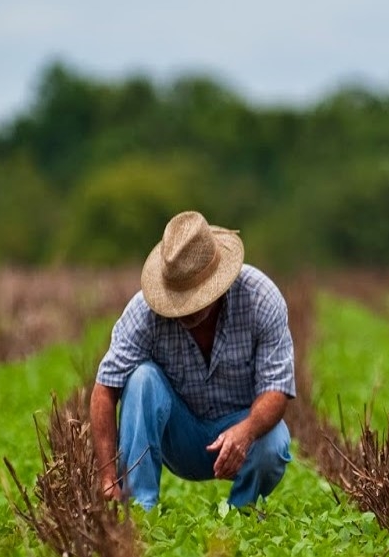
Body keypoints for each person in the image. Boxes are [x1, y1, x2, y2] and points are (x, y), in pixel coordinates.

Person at [90, 210, 295, 510]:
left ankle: (241, 514)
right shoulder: (144, 313)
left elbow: (277, 388)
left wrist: (247, 430)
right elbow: (104, 390)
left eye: (195, 297)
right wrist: (108, 476)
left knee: (274, 441)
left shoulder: (260, 298)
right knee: (141, 378)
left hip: (239, 429)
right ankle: (139, 510)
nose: (186, 310)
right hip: (179, 436)